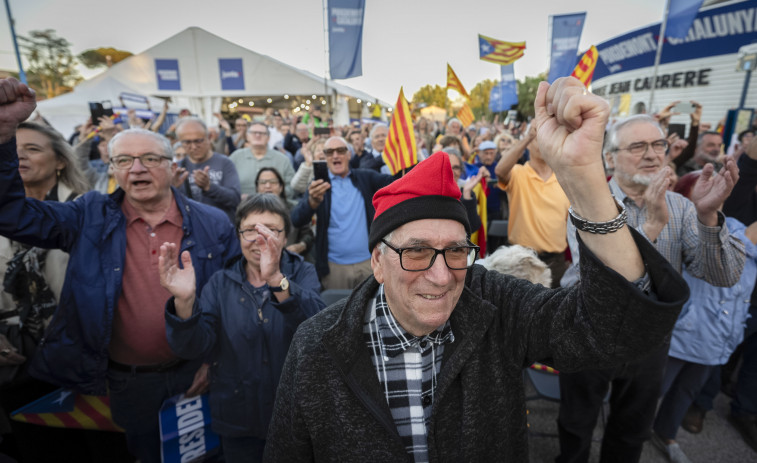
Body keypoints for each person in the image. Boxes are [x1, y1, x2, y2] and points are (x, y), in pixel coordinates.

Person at [264, 77, 690, 461]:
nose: (441, 275)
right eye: (415, 252)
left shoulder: (494, 304)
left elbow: (613, 332)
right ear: (378, 261)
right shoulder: (317, 346)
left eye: (455, 251)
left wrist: (585, 179)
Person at [0, 78, 240, 463]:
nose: (137, 169)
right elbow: (12, 215)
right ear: (111, 168)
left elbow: (232, 299)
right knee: (142, 454)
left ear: (171, 165)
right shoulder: (89, 215)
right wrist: (3, 136)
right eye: (124, 161)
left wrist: (215, 362)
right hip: (127, 382)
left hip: (196, 374)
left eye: (149, 159)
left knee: (204, 458)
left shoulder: (213, 222)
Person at [557, 114, 745, 463]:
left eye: (658, 144)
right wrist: (654, 227)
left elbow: (723, 275)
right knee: (576, 425)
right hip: (589, 334)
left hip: (649, 342)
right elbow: (604, 282)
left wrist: (708, 216)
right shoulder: (587, 204)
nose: (652, 154)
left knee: (631, 433)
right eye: (638, 146)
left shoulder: (683, 206)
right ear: (610, 157)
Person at [160, 193, 324, 462]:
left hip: (294, 418)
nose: (260, 238)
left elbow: (317, 332)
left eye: (271, 230)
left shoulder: (302, 272)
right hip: (237, 419)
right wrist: (184, 302)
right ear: (238, 236)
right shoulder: (219, 282)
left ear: (285, 237)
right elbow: (194, 346)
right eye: (250, 230)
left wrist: (275, 279)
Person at [0, 122, 120, 462]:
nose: (19, 155)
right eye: (12, 148)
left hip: (85, 357)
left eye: (33, 148)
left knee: (103, 451)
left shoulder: (92, 212)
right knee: (39, 449)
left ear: (60, 162)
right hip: (18, 359)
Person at [649, 171, 757, 463]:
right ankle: (631, 430)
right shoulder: (682, 225)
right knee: (653, 388)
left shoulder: (732, 225)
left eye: (718, 188)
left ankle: (666, 433)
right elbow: (723, 256)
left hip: (719, 336)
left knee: (686, 391)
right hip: (686, 331)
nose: (714, 193)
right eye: (704, 188)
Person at [291, 136, 393, 289]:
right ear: (325, 157)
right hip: (334, 269)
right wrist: (311, 202)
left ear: (349, 154)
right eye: (330, 152)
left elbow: (397, 182)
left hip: (368, 264)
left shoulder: (365, 177)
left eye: (340, 150)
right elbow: (297, 218)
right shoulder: (319, 185)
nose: (335, 155)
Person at [494, 125, 571, 287]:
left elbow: (570, 223)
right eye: (538, 138)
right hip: (522, 260)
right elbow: (500, 171)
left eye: (548, 139)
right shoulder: (517, 172)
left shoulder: (564, 178)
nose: (543, 143)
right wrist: (528, 137)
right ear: (528, 144)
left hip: (556, 262)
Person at [172, 117, 241, 222]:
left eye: (198, 141)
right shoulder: (177, 168)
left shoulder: (225, 163)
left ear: (209, 137)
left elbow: (235, 199)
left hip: (221, 228)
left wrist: (209, 187)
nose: (194, 147)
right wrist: (171, 189)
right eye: (187, 143)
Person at [255, 167, 313, 257]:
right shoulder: (250, 212)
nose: (267, 186)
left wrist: (301, 245)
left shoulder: (295, 208)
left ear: (281, 187)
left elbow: (308, 234)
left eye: (273, 182)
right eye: (262, 182)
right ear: (257, 188)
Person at [230, 122, 295, 199]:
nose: (257, 135)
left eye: (262, 133)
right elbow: (226, 185)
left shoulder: (282, 159)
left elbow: (292, 187)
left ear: (268, 138)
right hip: (241, 207)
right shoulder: (235, 157)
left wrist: (275, 196)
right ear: (247, 137)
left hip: (274, 207)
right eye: (254, 133)